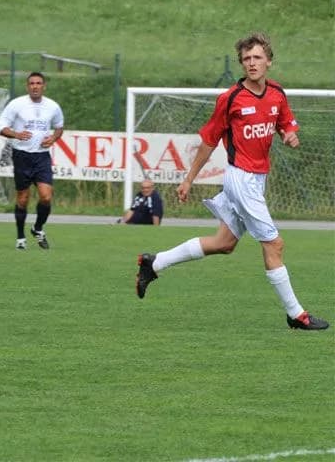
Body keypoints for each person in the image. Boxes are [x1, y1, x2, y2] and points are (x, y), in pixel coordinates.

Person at [136, 32, 328, 331]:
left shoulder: (277, 93)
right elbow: (208, 142)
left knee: (224, 243)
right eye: (247, 59)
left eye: (257, 58)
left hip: (257, 179)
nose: (252, 63)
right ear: (242, 63)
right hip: (240, 179)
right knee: (274, 244)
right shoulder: (231, 99)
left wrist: (290, 135)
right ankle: (296, 314)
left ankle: (154, 263)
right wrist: (188, 179)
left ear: (269, 62)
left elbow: (286, 123)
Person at [0, 71, 64, 250]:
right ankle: (20, 237)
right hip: (22, 156)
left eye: (38, 83)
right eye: (32, 83)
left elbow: (59, 127)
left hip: (42, 157)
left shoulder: (52, 106)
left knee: (46, 196)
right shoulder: (17, 104)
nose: (35, 86)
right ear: (28, 86)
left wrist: (54, 138)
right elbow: (1, 127)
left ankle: (37, 228)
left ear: (44, 86)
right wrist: (16, 134)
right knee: (23, 199)